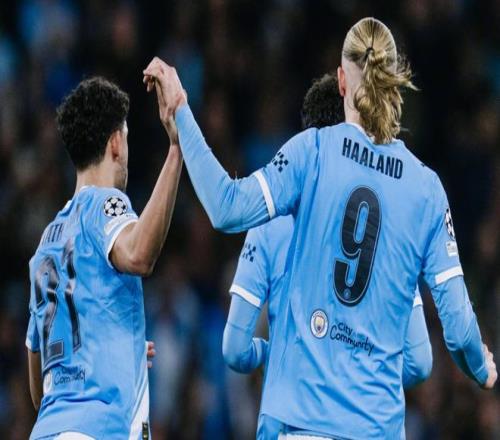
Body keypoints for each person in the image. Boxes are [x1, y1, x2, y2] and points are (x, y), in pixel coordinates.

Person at [143, 16, 497, 439]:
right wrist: (480, 366)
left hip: (303, 425)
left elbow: (226, 208)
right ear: (393, 85)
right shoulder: (426, 190)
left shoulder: (312, 153)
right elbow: (456, 329)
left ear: (341, 82)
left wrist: (181, 110)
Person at [222, 74, 432, 439]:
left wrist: (270, 353)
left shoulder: (270, 224)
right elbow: (419, 360)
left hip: (295, 424)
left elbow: (235, 349)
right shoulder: (393, 228)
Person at [26, 77, 183, 440]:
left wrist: (115, 347)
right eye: (126, 136)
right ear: (115, 142)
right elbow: (139, 255)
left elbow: (39, 388)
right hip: (99, 429)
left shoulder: (46, 243)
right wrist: (176, 150)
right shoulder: (104, 204)